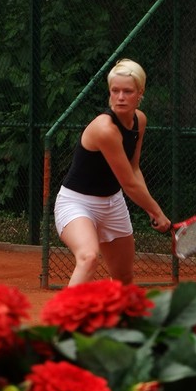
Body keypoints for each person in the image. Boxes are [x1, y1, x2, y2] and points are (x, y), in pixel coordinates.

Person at [54, 58, 171, 286]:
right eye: (115, 91)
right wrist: (157, 211)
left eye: (128, 91)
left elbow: (134, 168)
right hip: (77, 203)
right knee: (88, 257)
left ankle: (115, 310)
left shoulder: (140, 120)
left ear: (140, 93)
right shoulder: (105, 129)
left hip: (112, 204)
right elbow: (128, 183)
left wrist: (150, 209)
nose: (120, 97)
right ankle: (66, 311)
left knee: (123, 279)